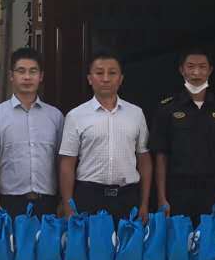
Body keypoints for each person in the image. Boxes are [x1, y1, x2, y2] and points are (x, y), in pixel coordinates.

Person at [150, 47, 215, 223]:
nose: (196, 73)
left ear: (210, 70)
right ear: (181, 70)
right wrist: (161, 197)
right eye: (191, 66)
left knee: (211, 238)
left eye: (202, 67)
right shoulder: (167, 109)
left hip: (214, 190)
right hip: (178, 191)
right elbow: (161, 155)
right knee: (179, 238)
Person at [58, 52, 151, 221]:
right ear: (89, 78)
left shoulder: (136, 114)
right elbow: (67, 164)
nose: (106, 79)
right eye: (99, 73)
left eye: (112, 73)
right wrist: (67, 205)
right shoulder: (76, 116)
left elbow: (144, 159)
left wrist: (144, 203)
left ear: (121, 79)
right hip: (89, 197)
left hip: (127, 197)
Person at [0, 48, 64, 220]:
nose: (27, 77)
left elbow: (61, 161)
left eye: (33, 71)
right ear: (11, 76)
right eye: (21, 71)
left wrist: (63, 201)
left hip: (47, 202)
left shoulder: (55, 116)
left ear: (41, 76)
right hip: (9, 202)